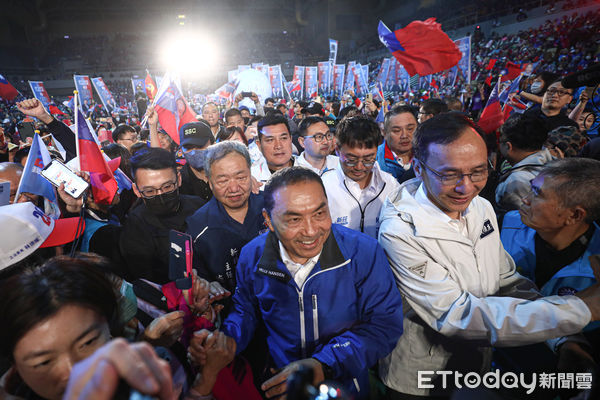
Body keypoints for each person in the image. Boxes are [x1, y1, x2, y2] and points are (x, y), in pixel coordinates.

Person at [377, 112, 600, 398]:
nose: (466, 187)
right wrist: (580, 308)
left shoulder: (479, 207)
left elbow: (506, 280)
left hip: (476, 365)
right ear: (419, 169)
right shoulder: (399, 232)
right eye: (449, 174)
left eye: (478, 171)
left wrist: (564, 338)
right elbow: (456, 315)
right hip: (422, 376)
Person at [217, 167, 404, 399]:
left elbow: (384, 326)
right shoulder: (252, 256)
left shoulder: (363, 252)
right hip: (281, 385)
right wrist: (227, 340)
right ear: (269, 220)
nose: (311, 230)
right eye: (294, 218)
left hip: (346, 388)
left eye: (319, 213)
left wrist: (323, 364)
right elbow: (245, 311)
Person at [501, 158, 600, 297]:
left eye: (536, 193)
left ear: (574, 215)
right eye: (531, 188)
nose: (525, 199)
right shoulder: (508, 224)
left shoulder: (595, 268)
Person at [186, 141, 267, 298]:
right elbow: (196, 279)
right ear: (209, 182)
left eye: (241, 177)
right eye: (223, 180)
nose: (234, 188)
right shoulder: (198, 228)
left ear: (251, 174)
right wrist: (206, 286)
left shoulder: (272, 207)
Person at [119, 147, 205, 283]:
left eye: (167, 187)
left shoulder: (199, 207)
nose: (160, 195)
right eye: (149, 191)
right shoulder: (135, 228)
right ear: (136, 190)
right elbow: (145, 281)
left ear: (179, 179)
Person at [322, 116, 399, 238]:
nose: (359, 167)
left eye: (368, 159)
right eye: (351, 159)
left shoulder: (390, 185)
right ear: (337, 150)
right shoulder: (324, 187)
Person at [496, 114, 554, 211]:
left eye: (499, 141)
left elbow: (517, 220)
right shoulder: (555, 163)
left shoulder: (516, 181)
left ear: (508, 146)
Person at [376, 105, 418, 183]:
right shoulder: (374, 160)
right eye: (397, 130)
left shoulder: (428, 158)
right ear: (385, 133)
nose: (404, 135)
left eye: (410, 129)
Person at [251, 114, 295, 186]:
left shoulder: (310, 171)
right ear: (259, 145)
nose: (278, 146)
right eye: (270, 140)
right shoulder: (252, 177)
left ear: (291, 139)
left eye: (283, 138)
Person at [176, 120, 215, 201]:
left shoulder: (225, 174)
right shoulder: (178, 183)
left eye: (200, 146)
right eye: (188, 148)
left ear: (213, 145)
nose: (193, 152)